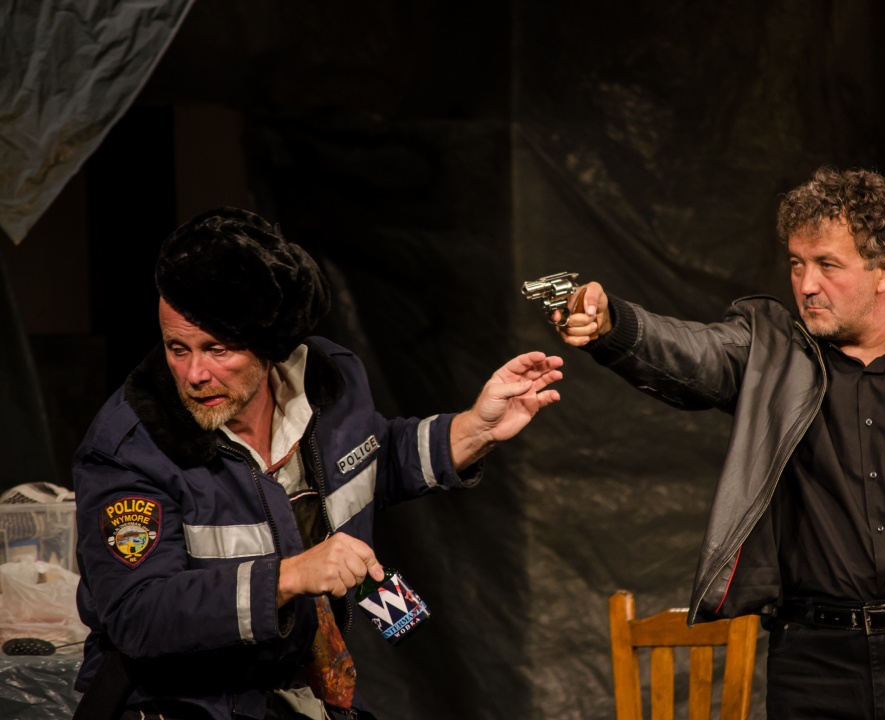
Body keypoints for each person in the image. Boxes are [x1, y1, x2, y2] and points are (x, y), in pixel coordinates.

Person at [554, 167, 885, 719]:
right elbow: (693, 352)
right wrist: (612, 324)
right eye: (796, 264)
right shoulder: (770, 352)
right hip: (817, 665)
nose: (807, 285)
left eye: (827, 265)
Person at [72, 208, 563, 720]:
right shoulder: (130, 446)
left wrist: (474, 429)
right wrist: (288, 576)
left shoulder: (326, 384)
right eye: (178, 348)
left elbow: (368, 460)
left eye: (217, 349)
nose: (195, 373)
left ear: (267, 342)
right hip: (183, 704)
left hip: (301, 690)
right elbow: (137, 614)